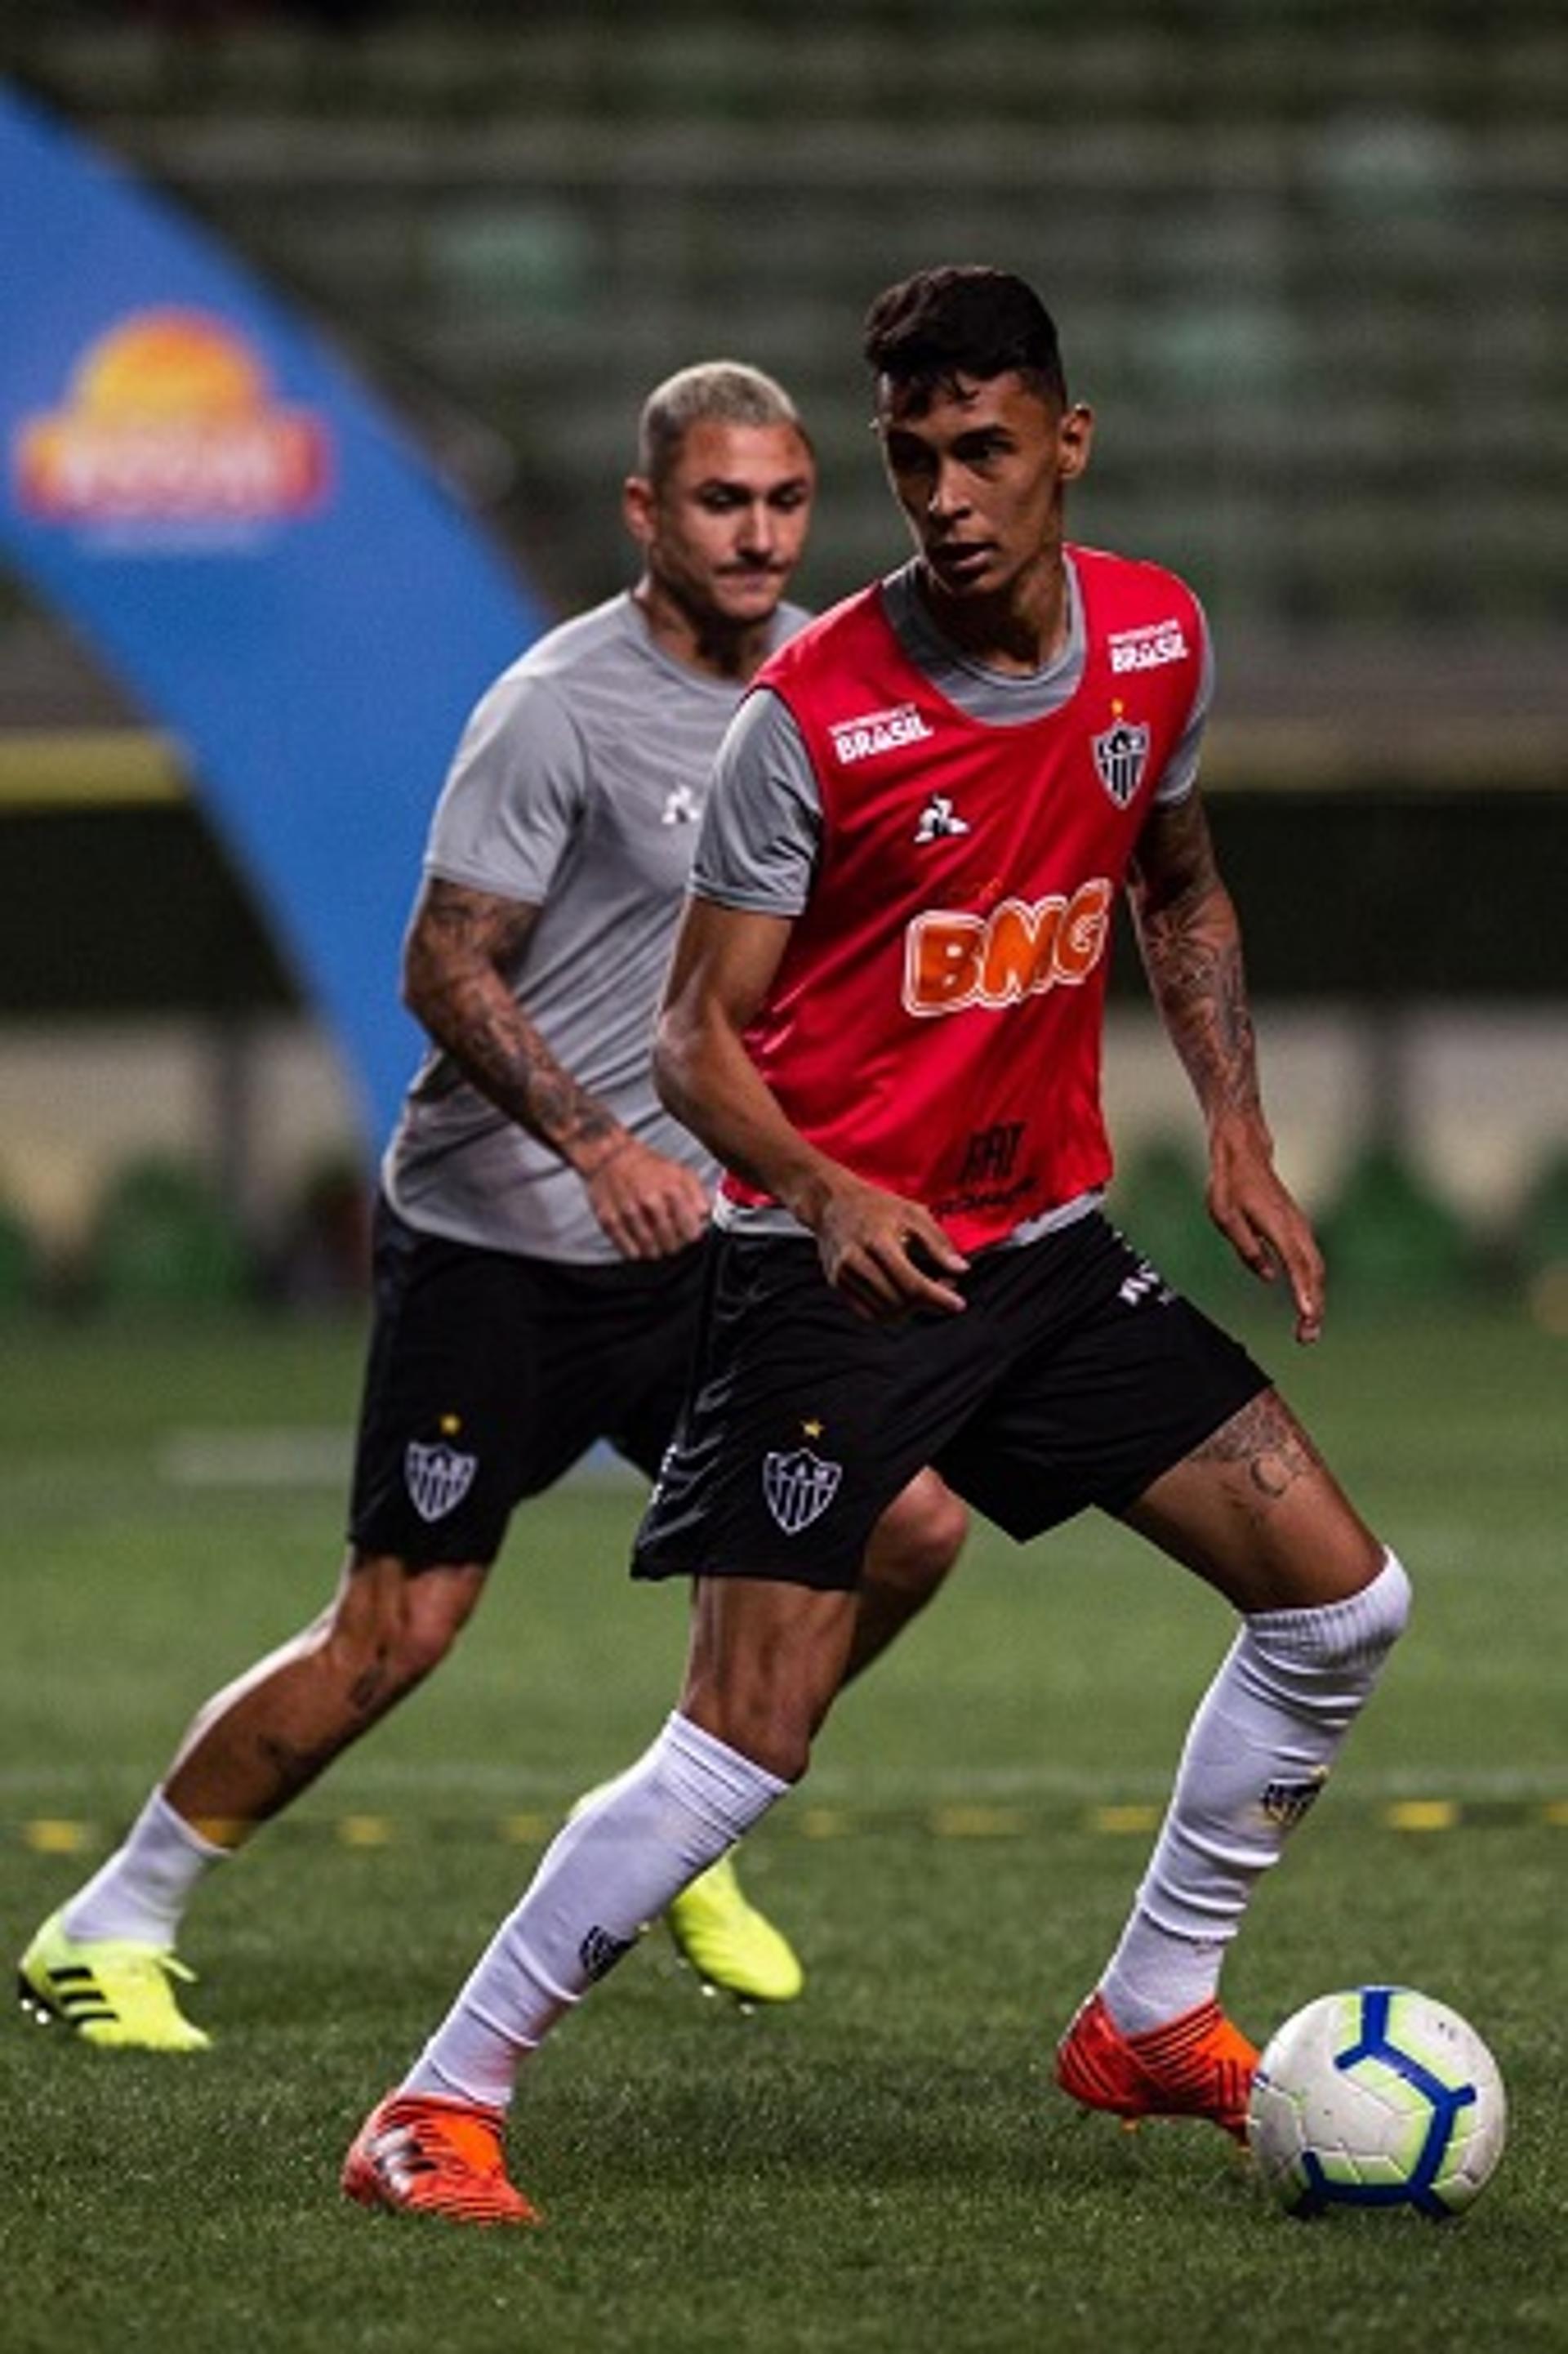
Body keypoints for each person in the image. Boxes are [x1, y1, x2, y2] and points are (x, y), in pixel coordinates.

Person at [340, 268, 1410, 2228]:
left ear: (1066, 444)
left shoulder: (1158, 638)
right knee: (742, 1747)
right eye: (911, 457)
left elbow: (1177, 882)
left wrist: (1237, 1133)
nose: (945, 492)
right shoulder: (811, 717)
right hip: (829, 1278)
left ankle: (1154, 2012)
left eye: (983, 448)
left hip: (1054, 1254)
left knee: (1343, 1607)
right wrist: (830, 1192)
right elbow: (690, 1040)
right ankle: (437, 2100)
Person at [17, 360, 969, 2053]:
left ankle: (693, 1809)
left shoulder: (836, 679)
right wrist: (602, 1144)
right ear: (644, 514)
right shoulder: (556, 704)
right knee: (401, 1629)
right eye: (718, 503)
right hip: (506, 1243)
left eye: (782, 502)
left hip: (706, 1242)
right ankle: (111, 1916)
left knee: (903, 1526)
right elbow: (442, 967)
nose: (756, 537)